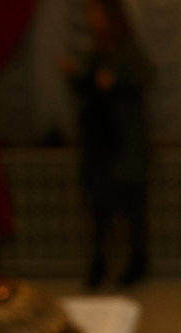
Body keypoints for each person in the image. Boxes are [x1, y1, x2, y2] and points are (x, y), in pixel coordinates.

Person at [65, 0, 151, 288]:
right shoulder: (95, 53)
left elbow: (143, 76)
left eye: (96, 14)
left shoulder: (127, 51)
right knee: (98, 211)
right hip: (99, 146)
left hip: (124, 146)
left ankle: (134, 265)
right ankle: (100, 267)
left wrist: (114, 81)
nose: (92, 20)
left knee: (130, 211)